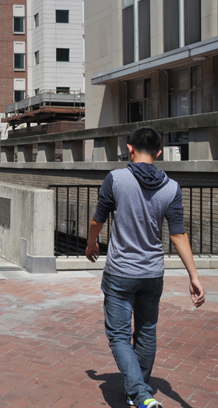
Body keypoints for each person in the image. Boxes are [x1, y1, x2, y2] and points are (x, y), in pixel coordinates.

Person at [86, 127, 205, 408]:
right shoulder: (172, 187)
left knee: (118, 335)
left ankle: (140, 395)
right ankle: (138, 391)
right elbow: (178, 235)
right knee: (147, 332)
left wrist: (92, 243)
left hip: (120, 272)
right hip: (152, 273)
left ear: (129, 148)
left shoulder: (116, 179)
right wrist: (194, 276)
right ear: (159, 153)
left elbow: (97, 220)